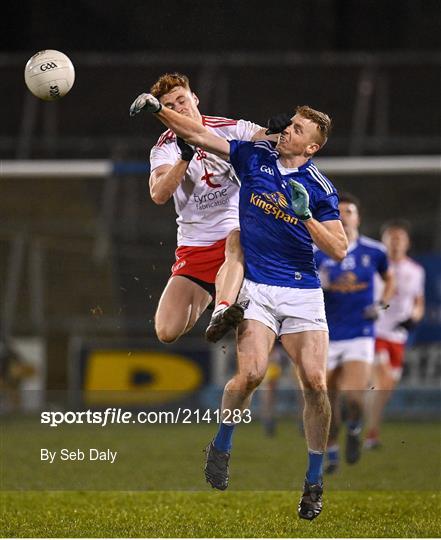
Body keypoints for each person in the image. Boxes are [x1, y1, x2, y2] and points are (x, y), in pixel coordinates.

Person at [130, 92, 348, 520]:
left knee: (316, 384)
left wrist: (306, 218)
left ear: (312, 147)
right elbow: (197, 133)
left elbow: (339, 248)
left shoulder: (320, 188)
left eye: (298, 130)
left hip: (302, 291)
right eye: (289, 125)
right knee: (248, 375)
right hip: (260, 290)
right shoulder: (253, 157)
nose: (288, 131)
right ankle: (223, 443)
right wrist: (159, 112)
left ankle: (314, 482)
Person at [146, 73, 270, 344]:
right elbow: (159, 194)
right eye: (170, 106)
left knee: (236, 238)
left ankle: (224, 308)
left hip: (235, 237)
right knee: (166, 331)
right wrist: (184, 158)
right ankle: (218, 296)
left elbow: (267, 136)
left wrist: (282, 132)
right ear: (163, 113)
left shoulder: (226, 128)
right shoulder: (164, 148)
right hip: (195, 246)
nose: (179, 109)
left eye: (182, 100)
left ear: (195, 98)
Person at [314, 193, 394, 474]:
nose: (344, 216)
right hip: (327, 333)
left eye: (349, 211)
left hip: (360, 332)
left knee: (354, 396)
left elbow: (389, 279)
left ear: (358, 217)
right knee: (328, 400)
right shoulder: (318, 254)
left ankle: (355, 426)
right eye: (339, 212)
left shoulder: (374, 251)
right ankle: (333, 453)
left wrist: (381, 306)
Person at [365, 220, 425, 449]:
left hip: (398, 336)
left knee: (385, 388)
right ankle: (371, 434)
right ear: (384, 241)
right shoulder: (373, 267)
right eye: (391, 238)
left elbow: (418, 302)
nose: (396, 242)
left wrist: (415, 317)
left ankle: (362, 420)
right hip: (374, 331)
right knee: (383, 380)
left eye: (400, 238)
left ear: (407, 242)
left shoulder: (416, 271)